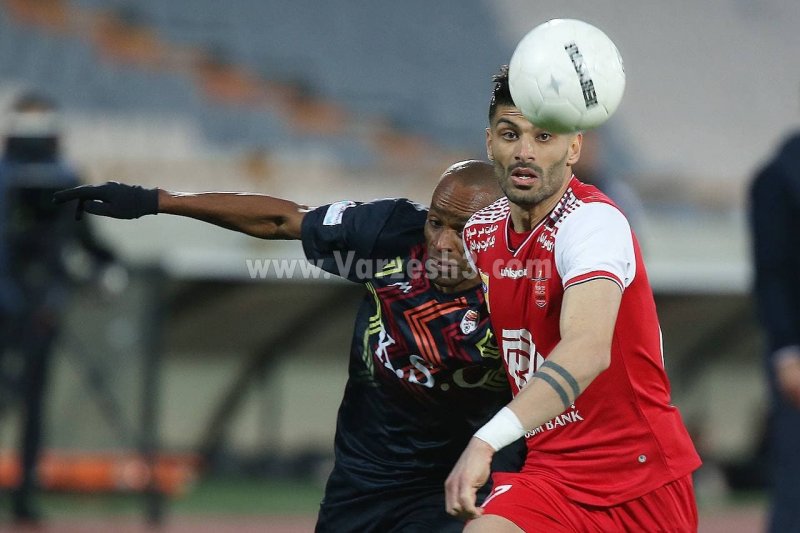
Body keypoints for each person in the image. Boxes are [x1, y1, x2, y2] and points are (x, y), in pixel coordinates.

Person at [54, 160, 524, 532]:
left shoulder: (527, 284)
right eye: (436, 222)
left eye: (460, 230)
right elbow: (283, 219)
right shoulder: (390, 232)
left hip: (466, 479)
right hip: (366, 478)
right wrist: (156, 200)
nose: (441, 241)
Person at [444, 66, 702, 532]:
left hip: (640, 480)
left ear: (573, 148)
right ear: (489, 143)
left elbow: (586, 350)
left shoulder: (593, 223)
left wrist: (486, 441)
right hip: (548, 475)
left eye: (544, 136)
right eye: (510, 134)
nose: (524, 152)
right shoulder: (479, 233)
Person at [0, 93, 115, 521]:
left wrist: (103, 264)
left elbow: (78, 235)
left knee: (31, 402)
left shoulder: (61, 179)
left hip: (38, 305)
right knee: (24, 399)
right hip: (22, 301)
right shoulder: (18, 177)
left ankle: (25, 494)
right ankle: (24, 496)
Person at [749, 130, 800, 533]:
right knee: (795, 479)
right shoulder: (778, 177)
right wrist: (787, 350)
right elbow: (773, 273)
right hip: (796, 351)